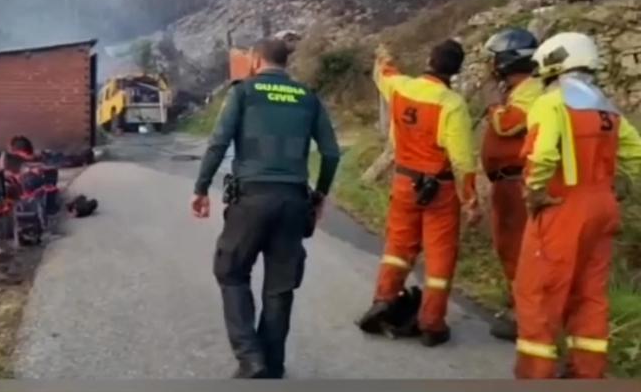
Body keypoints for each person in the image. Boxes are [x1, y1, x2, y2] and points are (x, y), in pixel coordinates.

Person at [191, 38, 341, 379]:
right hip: (293, 202)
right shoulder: (308, 97)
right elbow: (331, 153)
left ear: (256, 60)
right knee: (280, 285)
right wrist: (319, 196)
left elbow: (218, 142)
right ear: (285, 62)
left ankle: (250, 358)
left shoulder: (244, 93)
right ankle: (272, 363)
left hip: (251, 199)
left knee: (231, 271)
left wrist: (201, 189)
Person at [513, 32, 641, 379]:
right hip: (602, 207)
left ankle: (535, 376)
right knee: (590, 296)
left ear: (555, 61)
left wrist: (535, 189)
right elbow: (635, 153)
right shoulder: (606, 107)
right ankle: (587, 374)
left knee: (538, 297)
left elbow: (542, 153)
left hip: (563, 208)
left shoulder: (552, 102)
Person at [358, 40, 481, 347]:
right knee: (440, 256)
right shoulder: (451, 104)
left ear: (429, 59)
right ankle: (432, 323)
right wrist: (470, 200)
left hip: (403, 181)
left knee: (398, 246)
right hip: (439, 189)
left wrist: (383, 56)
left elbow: (383, 74)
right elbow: (463, 161)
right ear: (456, 69)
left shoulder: (401, 87)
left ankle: (384, 299)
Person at [479, 29, 544, 341]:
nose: (491, 65)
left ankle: (525, 314)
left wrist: (492, 105)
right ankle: (519, 300)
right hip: (507, 183)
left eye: (494, 58)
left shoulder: (530, 90)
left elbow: (507, 125)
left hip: (517, 181)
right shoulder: (519, 89)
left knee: (519, 248)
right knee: (509, 246)